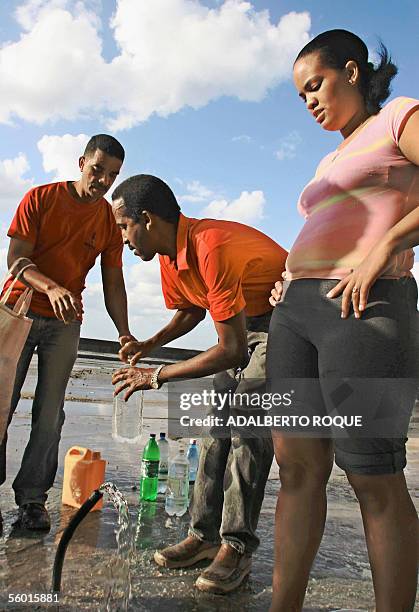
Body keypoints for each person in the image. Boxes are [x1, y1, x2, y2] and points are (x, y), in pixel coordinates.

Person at [266, 30, 419, 611]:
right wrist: (291, 274)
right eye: (301, 95)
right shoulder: (329, 156)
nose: (309, 102)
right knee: (297, 471)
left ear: (351, 72)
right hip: (296, 315)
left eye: (316, 86)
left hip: (366, 307)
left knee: (372, 476)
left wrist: (384, 249)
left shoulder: (399, 117)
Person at [110, 174, 288, 594]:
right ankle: (203, 536)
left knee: (245, 426)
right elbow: (192, 309)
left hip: (284, 319)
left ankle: (237, 547)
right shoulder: (169, 256)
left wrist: (156, 375)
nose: (122, 239)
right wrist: (150, 344)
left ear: (147, 220)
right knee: (213, 427)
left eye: (123, 226)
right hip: (244, 323)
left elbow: (231, 350)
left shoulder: (210, 245)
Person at [0, 134, 135, 532]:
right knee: (1, 405)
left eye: (111, 175)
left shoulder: (109, 223)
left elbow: (113, 282)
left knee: (49, 413)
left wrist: (125, 332)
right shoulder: (40, 198)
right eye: (97, 170)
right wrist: (50, 287)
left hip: (65, 323)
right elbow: (15, 260)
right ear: (81, 163)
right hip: (18, 310)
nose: (102, 181)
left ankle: (32, 500)